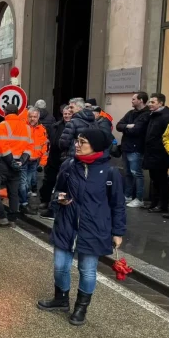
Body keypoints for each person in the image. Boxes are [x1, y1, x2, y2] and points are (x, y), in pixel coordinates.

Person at [37, 130, 125, 326]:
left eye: (82, 142)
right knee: (60, 266)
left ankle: (81, 308)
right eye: (77, 141)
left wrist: (118, 232)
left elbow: (117, 204)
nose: (77, 145)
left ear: (95, 146)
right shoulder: (69, 165)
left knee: (87, 270)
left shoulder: (111, 173)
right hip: (66, 224)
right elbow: (57, 191)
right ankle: (60, 299)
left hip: (94, 228)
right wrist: (61, 200)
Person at [0, 103, 33, 226]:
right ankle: (13, 219)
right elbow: (29, 147)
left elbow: (3, 145)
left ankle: (1, 217)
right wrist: (21, 161)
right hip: (18, 164)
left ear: (6, 112)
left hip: (2, 162)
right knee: (13, 192)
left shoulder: (3, 125)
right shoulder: (27, 127)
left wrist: (11, 161)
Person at [143, 93, 169, 214]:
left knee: (161, 180)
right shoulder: (154, 114)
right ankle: (154, 203)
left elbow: (167, 136)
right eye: (150, 102)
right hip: (152, 153)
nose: (150, 104)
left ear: (161, 103)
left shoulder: (167, 116)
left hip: (160, 154)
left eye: (153, 102)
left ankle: (162, 205)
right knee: (154, 179)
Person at [116, 91, 150, 208]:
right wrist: (128, 126)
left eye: (133, 99)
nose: (132, 101)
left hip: (136, 148)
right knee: (128, 173)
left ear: (141, 100)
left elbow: (137, 130)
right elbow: (118, 125)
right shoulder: (130, 113)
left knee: (137, 173)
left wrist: (127, 127)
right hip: (126, 147)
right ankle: (128, 195)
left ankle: (139, 198)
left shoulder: (146, 114)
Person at [39, 105, 73, 219]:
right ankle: (45, 201)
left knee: (61, 185)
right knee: (49, 181)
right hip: (53, 158)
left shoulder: (74, 126)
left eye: (69, 114)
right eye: (65, 113)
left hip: (66, 159)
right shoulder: (56, 126)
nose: (67, 115)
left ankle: (56, 207)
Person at [19, 107, 48, 214]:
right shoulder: (23, 127)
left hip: (34, 161)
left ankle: (22, 201)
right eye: (30, 116)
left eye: (35, 117)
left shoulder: (42, 129)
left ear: (38, 117)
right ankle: (23, 203)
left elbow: (44, 148)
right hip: (23, 160)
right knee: (24, 183)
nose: (32, 118)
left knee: (28, 183)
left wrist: (42, 163)